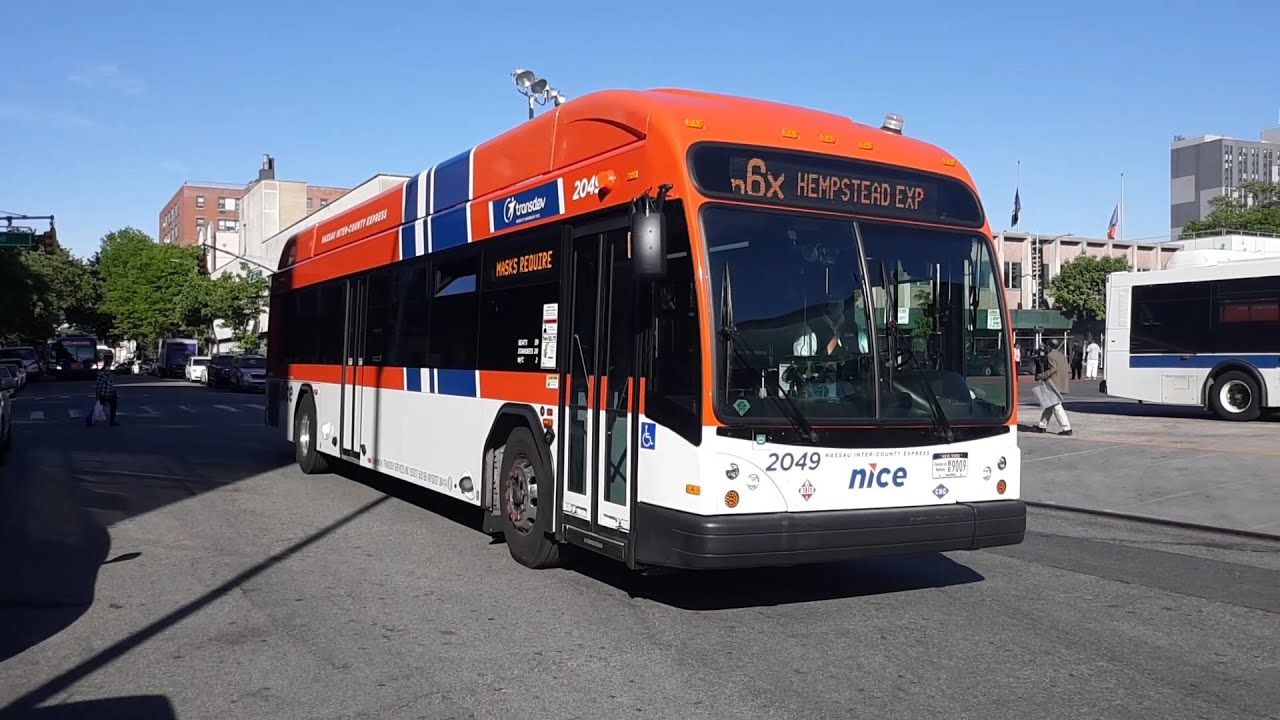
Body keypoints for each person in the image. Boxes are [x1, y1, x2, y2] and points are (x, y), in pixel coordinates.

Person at [1030, 340, 1071, 435]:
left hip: (1053, 383)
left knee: (1056, 406)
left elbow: (1053, 369)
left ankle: (1067, 428)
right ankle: (1042, 426)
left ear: (1049, 346)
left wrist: (1042, 376)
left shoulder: (1050, 356)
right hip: (1061, 382)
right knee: (1049, 405)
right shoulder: (1062, 356)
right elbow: (1067, 369)